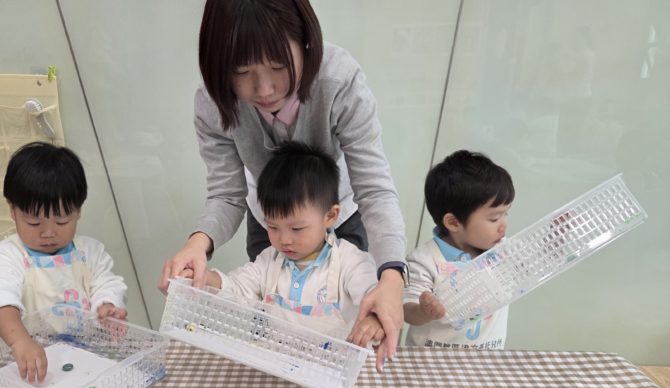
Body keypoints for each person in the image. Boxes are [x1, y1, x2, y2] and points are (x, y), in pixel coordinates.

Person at [158, 0, 407, 363]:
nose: (264, 89)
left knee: (350, 317)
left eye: (277, 66)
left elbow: (374, 189)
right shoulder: (214, 102)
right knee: (273, 318)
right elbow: (227, 195)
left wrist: (392, 279)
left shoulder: (339, 81)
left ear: (306, 41)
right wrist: (198, 246)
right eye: (241, 71)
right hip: (269, 216)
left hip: (336, 214)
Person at [194, 142, 386, 368]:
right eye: (273, 227)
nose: (284, 240)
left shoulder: (350, 261)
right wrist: (206, 278)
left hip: (331, 372)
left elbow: (375, 297)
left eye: (297, 228)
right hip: (275, 370)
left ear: (330, 216)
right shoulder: (269, 260)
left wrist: (374, 319)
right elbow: (236, 288)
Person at [0, 142, 128, 383]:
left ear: (78, 211)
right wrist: (20, 341)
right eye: (34, 223)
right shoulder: (9, 256)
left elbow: (107, 283)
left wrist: (107, 305)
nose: (48, 233)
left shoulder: (90, 252)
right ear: (12, 210)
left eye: (62, 222)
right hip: (30, 366)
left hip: (85, 359)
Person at [403, 150, 515, 349]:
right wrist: (423, 311)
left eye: (506, 214)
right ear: (453, 222)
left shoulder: (502, 251)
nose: (503, 225)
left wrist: (556, 238)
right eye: (494, 218)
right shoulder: (424, 261)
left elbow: (534, 262)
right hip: (430, 362)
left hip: (487, 363)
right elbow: (407, 310)